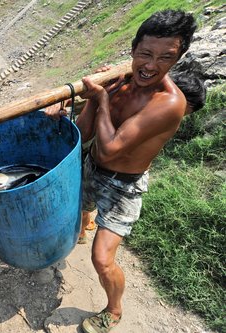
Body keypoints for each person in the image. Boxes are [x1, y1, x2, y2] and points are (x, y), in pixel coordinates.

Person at [50, 10, 196, 333]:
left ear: (178, 58)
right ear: (132, 50)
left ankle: (114, 310)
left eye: (165, 58)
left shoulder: (170, 103)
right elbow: (86, 135)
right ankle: (86, 223)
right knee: (75, 213)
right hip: (92, 166)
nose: (150, 65)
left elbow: (113, 147)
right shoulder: (121, 83)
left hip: (123, 186)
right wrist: (89, 100)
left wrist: (102, 98)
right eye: (144, 54)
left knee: (101, 259)